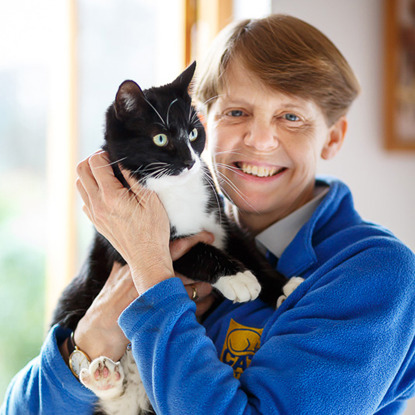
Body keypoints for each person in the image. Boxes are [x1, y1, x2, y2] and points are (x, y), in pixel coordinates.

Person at [2, 14, 415, 415]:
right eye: (236, 113)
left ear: (334, 137)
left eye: (291, 117)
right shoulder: (173, 228)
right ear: (202, 122)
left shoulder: (375, 273)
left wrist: (151, 271)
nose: (260, 140)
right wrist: (97, 332)